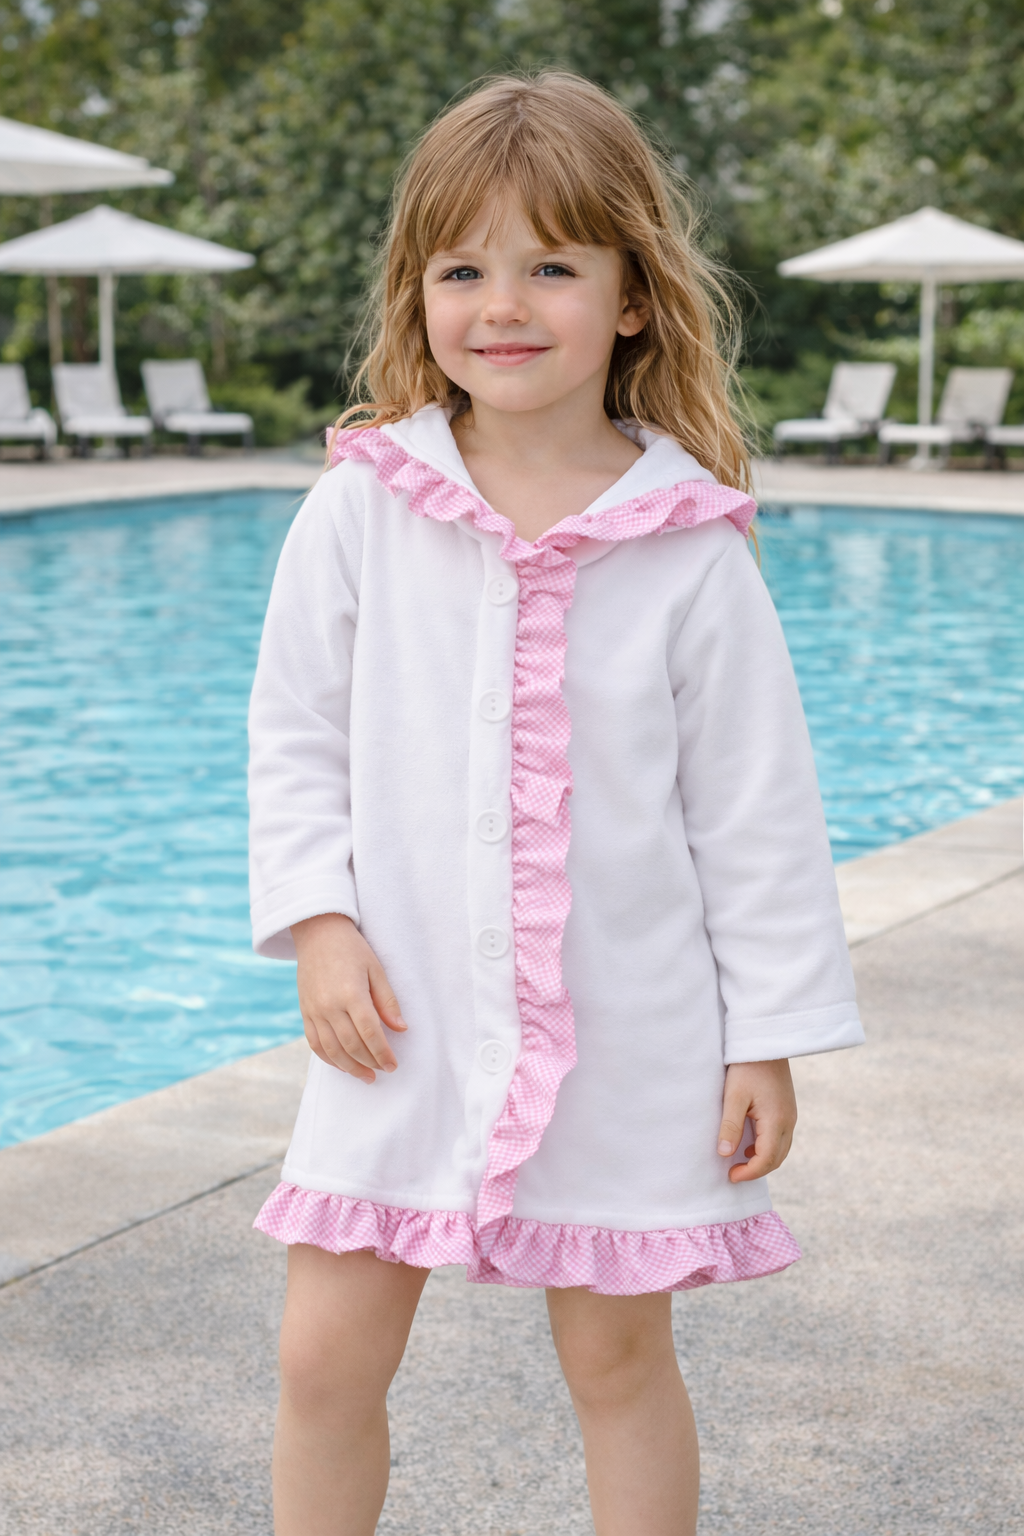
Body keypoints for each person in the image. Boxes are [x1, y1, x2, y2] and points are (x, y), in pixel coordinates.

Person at [248, 71, 863, 1536]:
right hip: (395, 1021)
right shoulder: (362, 507)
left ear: (633, 297)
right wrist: (319, 922)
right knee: (323, 1358)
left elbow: (756, 813)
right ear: (418, 294)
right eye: (462, 270)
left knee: (616, 1361)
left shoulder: (690, 547)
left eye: (551, 268)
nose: (502, 307)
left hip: (632, 1037)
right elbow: (294, 735)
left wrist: (766, 1037)